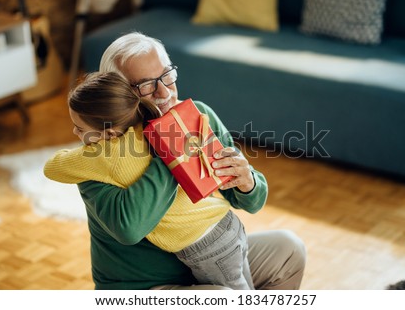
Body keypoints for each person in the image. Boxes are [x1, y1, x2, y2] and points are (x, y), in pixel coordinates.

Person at [66, 31, 305, 290]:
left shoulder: (199, 116)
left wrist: (248, 183)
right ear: (119, 93)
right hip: (144, 286)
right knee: (223, 297)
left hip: (207, 262)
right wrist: (171, 150)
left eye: (167, 76)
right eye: (146, 85)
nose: (164, 92)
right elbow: (128, 229)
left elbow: (250, 200)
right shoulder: (98, 152)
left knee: (288, 250)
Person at [44, 71, 255, 289]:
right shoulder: (151, 127)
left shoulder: (104, 155)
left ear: (109, 133)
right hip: (226, 222)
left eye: (80, 129)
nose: (75, 132)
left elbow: (52, 167)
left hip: (207, 247)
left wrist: (88, 148)